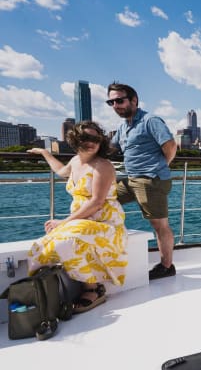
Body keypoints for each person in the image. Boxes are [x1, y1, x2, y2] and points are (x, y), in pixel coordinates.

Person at [27, 121, 127, 313]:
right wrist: (45, 153)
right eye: (85, 138)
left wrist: (63, 222)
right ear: (75, 139)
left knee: (68, 239)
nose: (91, 142)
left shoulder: (102, 165)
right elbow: (60, 171)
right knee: (41, 245)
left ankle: (93, 289)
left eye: (96, 139)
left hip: (105, 223)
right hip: (83, 221)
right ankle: (40, 290)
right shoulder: (74, 161)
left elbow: (97, 202)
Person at [108, 82, 177, 281]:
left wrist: (158, 168)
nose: (115, 105)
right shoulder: (123, 127)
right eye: (111, 102)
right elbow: (110, 149)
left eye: (120, 100)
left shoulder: (150, 120)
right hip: (130, 180)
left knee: (159, 225)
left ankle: (167, 266)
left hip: (150, 180)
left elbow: (171, 146)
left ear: (134, 100)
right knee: (104, 199)